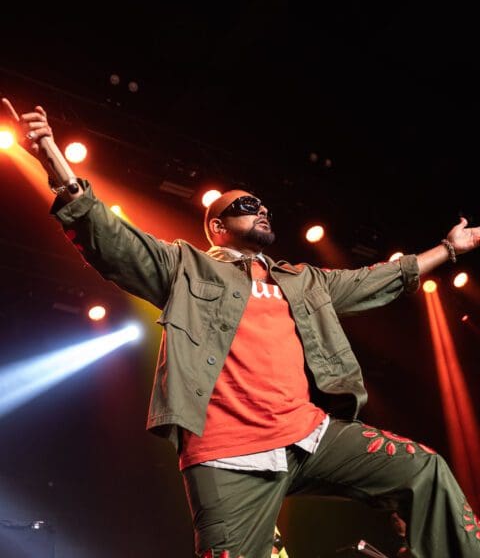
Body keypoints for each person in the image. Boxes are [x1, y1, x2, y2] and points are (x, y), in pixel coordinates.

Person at [5, 99, 480, 558]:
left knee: (424, 469)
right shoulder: (185, 267)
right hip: (227, 456)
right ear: (217, 226)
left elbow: (375, 279)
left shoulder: (303, 280)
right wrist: (52, 158)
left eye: (264, 205)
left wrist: (448, 249)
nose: (262, 210)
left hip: (309, 437)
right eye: (248, 205)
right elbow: (111, 239)